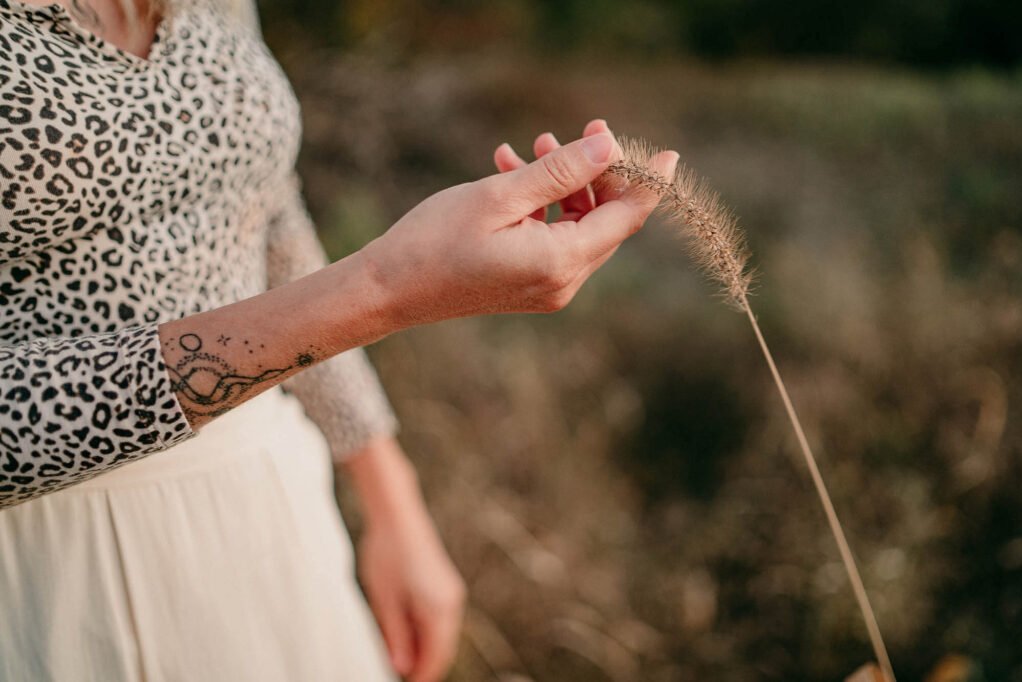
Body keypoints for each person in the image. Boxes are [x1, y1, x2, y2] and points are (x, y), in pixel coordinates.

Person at [0, 0, 679, 679]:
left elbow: (268, 211)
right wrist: (382, 292)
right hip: (52, 561)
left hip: (267, 500)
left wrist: (391, 498)